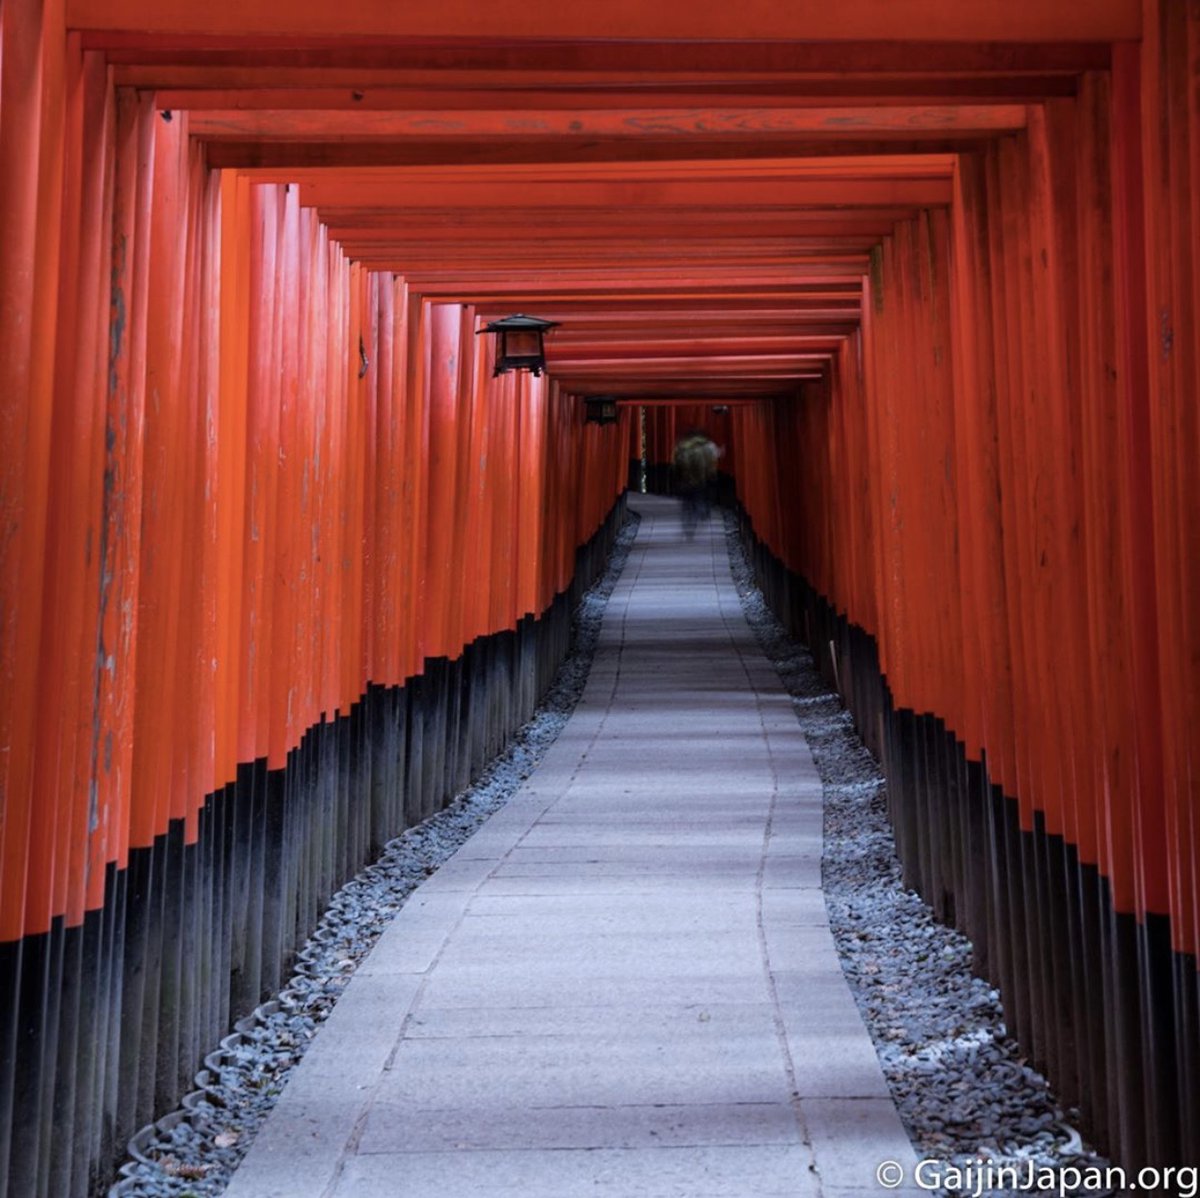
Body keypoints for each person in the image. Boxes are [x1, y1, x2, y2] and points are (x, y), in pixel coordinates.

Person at [672, 427, 719, 538]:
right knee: (698, 497)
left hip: (685, 479)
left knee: (687, 500)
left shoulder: (682, 448)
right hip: (700, 479)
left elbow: (675, 464)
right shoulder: (706, 447)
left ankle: (688, 522)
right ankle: (700, 511)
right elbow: (712, 462)